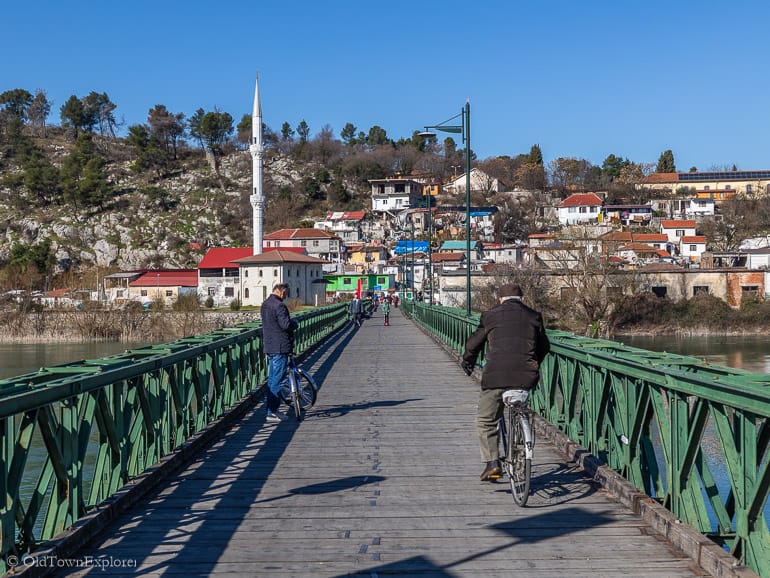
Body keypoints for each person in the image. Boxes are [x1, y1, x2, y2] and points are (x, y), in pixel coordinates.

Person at [461, 283, 550, 481]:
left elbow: (474, 343)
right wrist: (533, 363)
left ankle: (492, 463)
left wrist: (468, 361)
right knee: (519, 405)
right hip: (525, 375)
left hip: (496, 376)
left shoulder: (490, 315)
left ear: (500, 299)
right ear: (523, 299)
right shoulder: (534, 316)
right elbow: (544, 346)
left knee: (485, 420)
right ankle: (521, 440)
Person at [261, 283, 298, 422]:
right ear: (282, 292)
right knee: (278, 380)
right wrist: (294, 323)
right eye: (286, 294)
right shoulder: (279, 306)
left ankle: (270, 410)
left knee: (271, 380)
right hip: (280, 347)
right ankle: (272, 412)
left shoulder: (265, 304)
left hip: (270, 346)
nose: (285, 296)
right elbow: (285, 325)